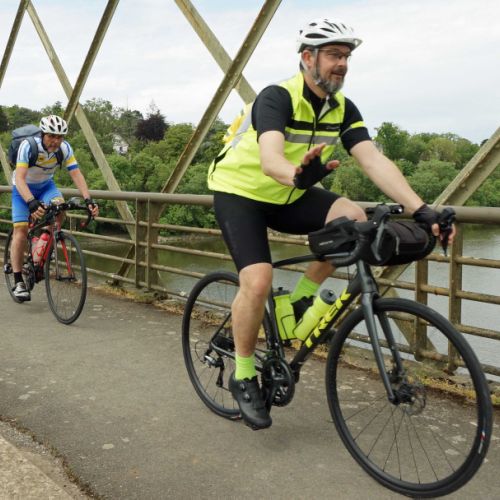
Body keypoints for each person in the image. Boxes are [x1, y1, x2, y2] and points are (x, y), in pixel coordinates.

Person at [207, 18, 455, 430]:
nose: (342, 63)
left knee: (352, 219)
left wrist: (421, 209)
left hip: (290, 192)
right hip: (242, 192)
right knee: (258, 280)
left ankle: (302, 299)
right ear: (308, 58)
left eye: (346, 56)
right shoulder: (277, 97)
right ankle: (244, 374)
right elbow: (270, 159)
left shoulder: (342, 108)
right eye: (334, 55)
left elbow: (372, 159)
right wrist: (296, 175)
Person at [10, 114, 99, 301]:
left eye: (59, 137)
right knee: (21, 230)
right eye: (51, 136)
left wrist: (88, 199)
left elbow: (76, 173)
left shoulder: (64, 148)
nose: (55, 141)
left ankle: (43, 242)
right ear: (43, 134)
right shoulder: (28, 146)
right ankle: (18, 281)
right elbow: (20, 178)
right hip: (23, 188)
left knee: (60, 208)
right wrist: (30, 201)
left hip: (46, 187)